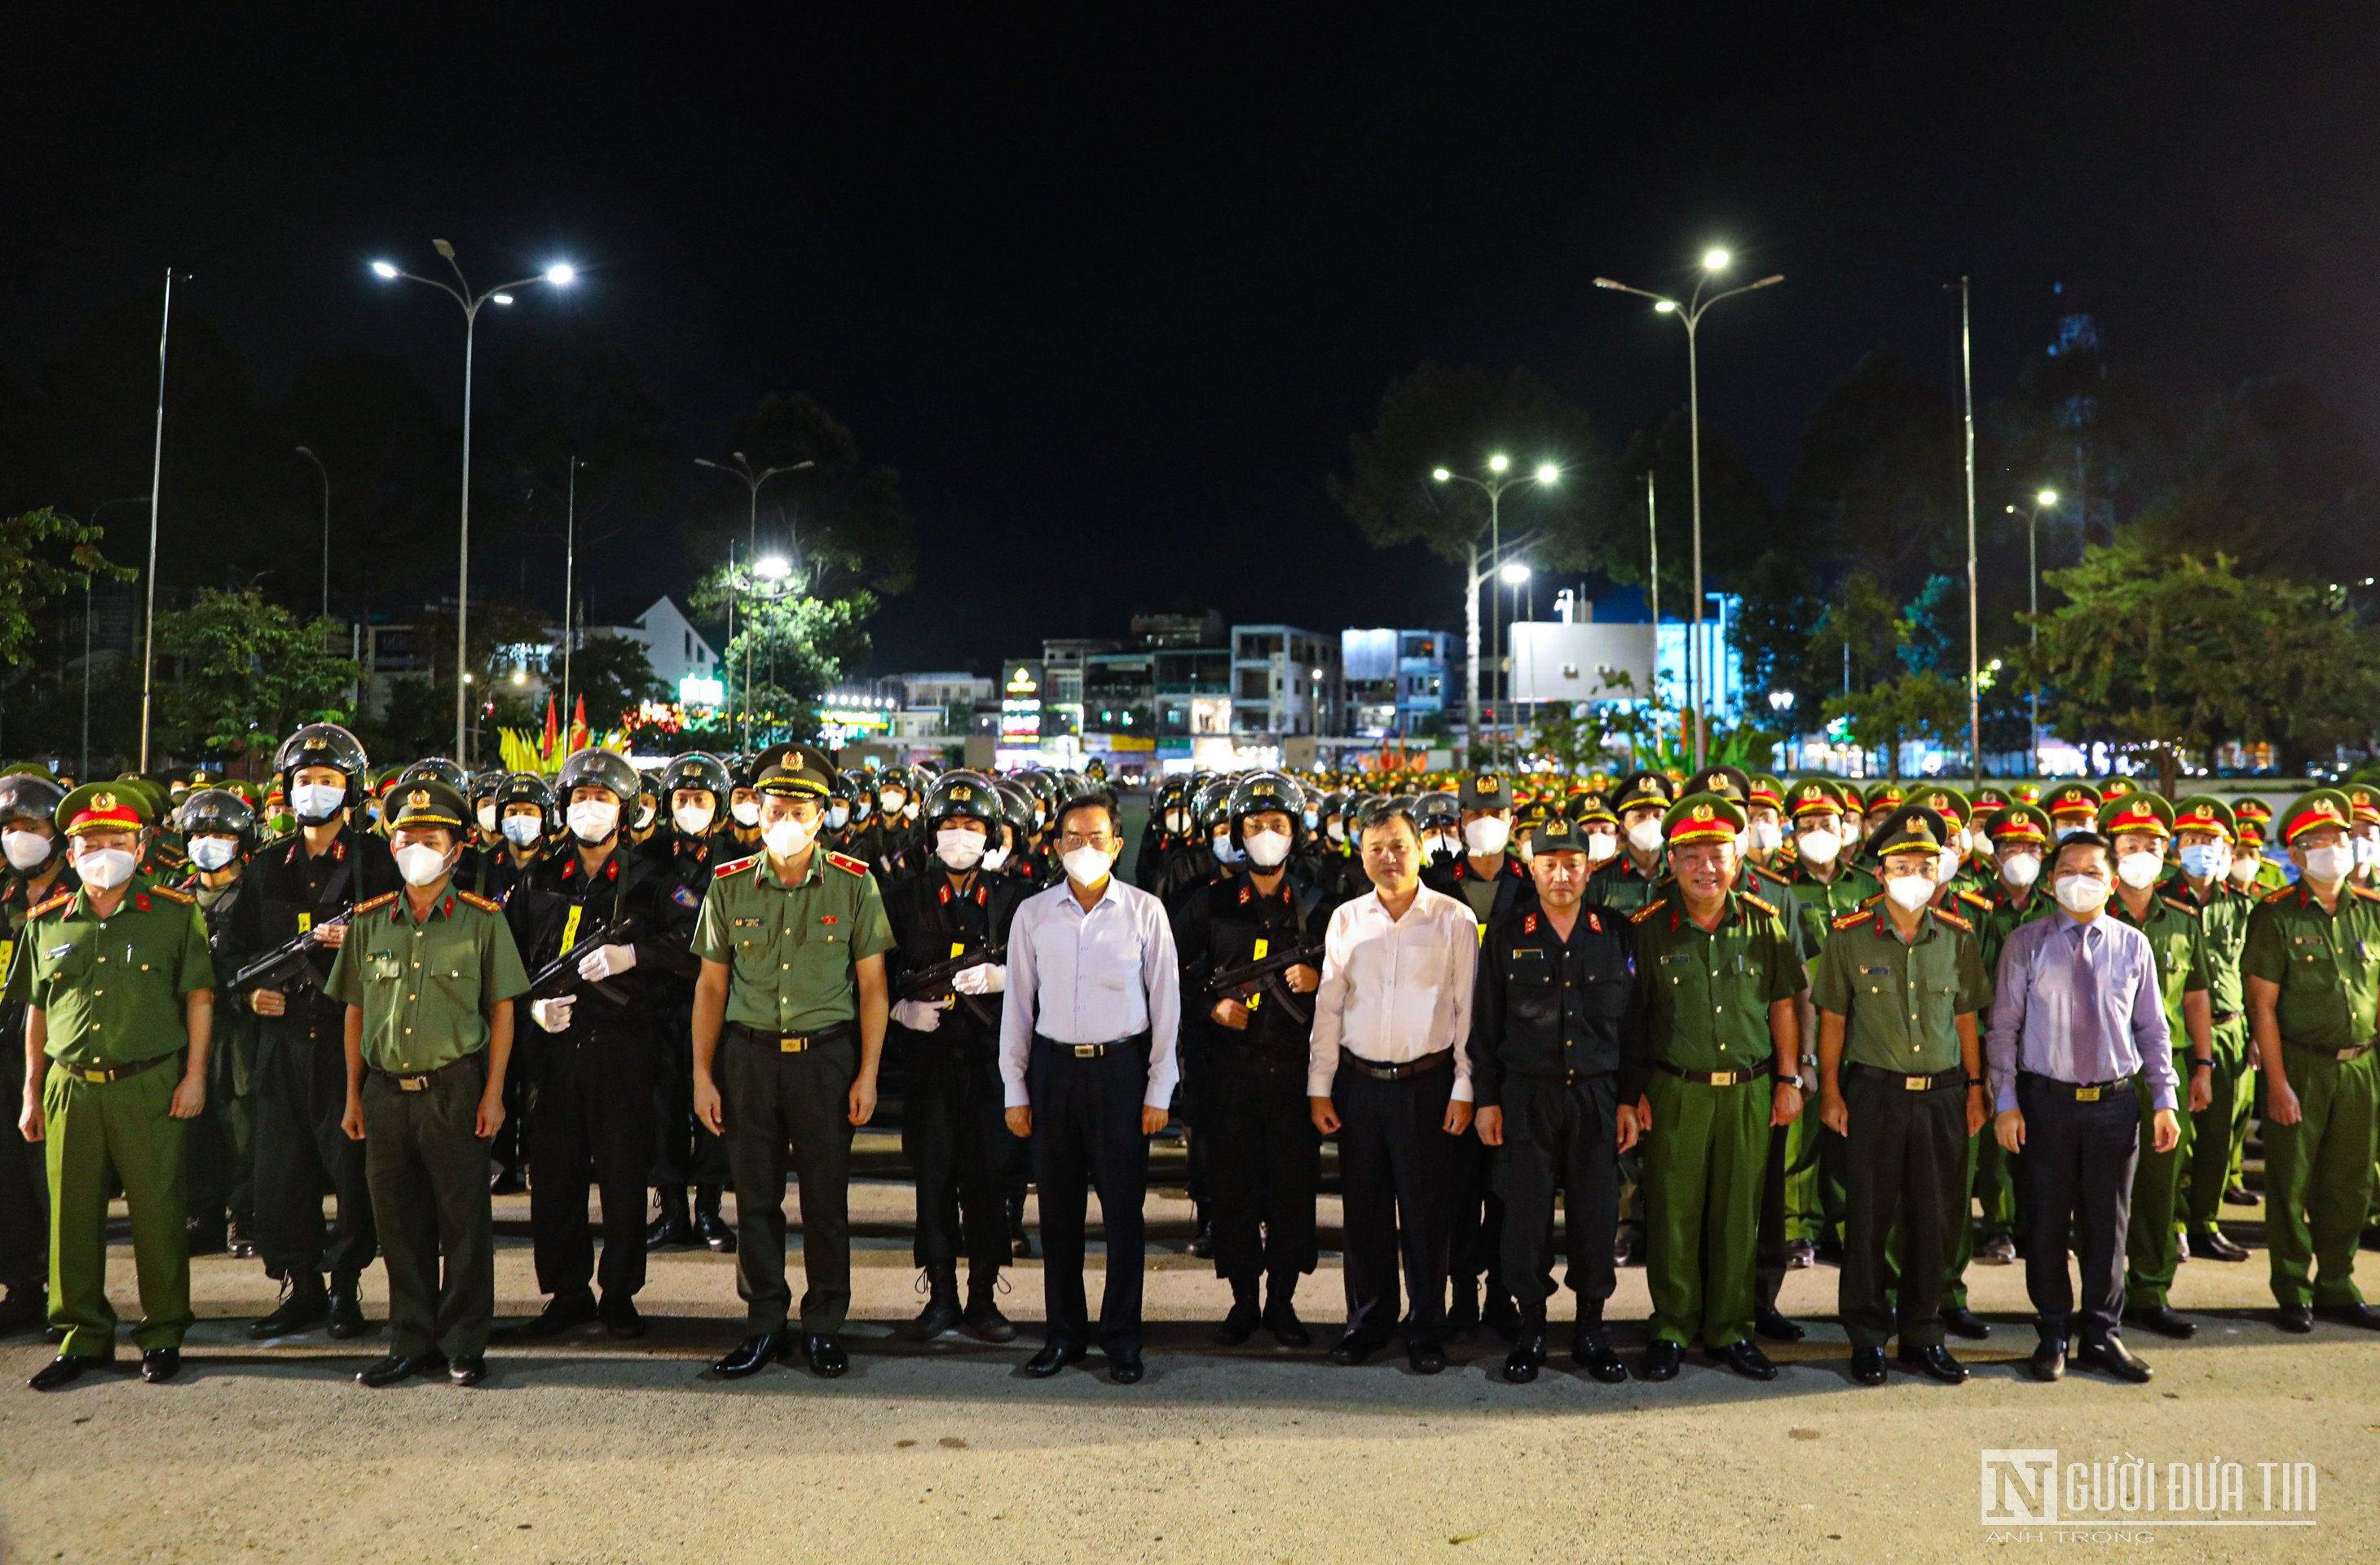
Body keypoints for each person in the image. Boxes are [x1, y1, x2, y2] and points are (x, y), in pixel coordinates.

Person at [690, 745, 890, 1381]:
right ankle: (764, 1324)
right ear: (756, 810)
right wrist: (702, 1074)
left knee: (826, 1201)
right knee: (754, 1200)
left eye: (798, 808)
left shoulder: (855, 883)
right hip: (748, 1059)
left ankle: (824, 1324)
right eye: (774, 807)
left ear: (822, 814)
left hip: (826, 1060)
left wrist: (869, 1073)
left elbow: (874, 988)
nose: (784, 818)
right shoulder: (728, 885)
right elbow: (711, 989)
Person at [12, 783, 214, 1389]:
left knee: (158, 1212)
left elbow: (199, 998)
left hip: (149, 1082)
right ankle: (83, 1335)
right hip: (70, 1087)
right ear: (69, 854)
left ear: (142, 845)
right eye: (91, 844)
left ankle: (162, 1333)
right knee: (70, 1217)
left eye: (117, 842)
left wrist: (196, 1075)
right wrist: (31, 1089)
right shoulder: (47, 923)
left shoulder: (175, 915)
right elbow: (37, 1011)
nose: (105, 853)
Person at [328, 781, 528, 1387]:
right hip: (386, 1093)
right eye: (406, 837)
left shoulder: (481, 922)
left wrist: (495, 1094)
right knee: (398, 1222)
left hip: (456, 1089)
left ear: (455, 850)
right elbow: (355, 1012)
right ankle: (410, 1339)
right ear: (391, 845)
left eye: (430, 839)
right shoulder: (369, 924)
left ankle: (464, 1341)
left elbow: (502, 1012)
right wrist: (352, 1094)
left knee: (463, 1222)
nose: (416, 847)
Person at [505, 748, 690, 1342]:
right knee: (555, 1176)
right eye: (580, 798)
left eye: (602, 799)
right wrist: (532, 1008)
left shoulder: (656, 880)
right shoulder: (536, 880)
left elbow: (695, 952)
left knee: (623, 1173)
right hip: (554, 1050)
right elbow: (505, 962)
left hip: (625, 1048)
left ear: (626, 809)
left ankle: (618, 1293)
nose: (590, 809)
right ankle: (566, 1292)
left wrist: (636, 955)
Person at [1620, 791, 1805, 1382]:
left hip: (1750, 1090)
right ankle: (1672, 1325)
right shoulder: (1648, 930)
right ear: (1672, 862)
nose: (1706, 868)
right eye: (1692, 855)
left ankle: (1730, 1329)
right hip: (1676, 1089)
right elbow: (1633, 1016)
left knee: (1738, 1212)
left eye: (1718, 854)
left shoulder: (1765, 923)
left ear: (1738, 856)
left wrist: (1789, 1078)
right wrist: (1637, 1088)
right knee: (1673, 1211)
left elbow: (1782, 1006)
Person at [999, 787, 1180, 1384]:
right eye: (1072, 838)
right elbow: (1019, 1010)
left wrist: (1160, 1089)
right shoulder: (1033, 914)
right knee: (1057, 1215)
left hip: (1121, 1072)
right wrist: (1015, 1089)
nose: (1084, 847)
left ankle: (1123, 1338)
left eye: (1096, 837)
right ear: (1055, 846)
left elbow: (1166, 1006)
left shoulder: (1145, 912)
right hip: (1054, 1073)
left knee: (1123, 1214)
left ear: (1117, 843)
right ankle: (1064, 1335)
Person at [1986, 829, 2181, 1383]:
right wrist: (2005, 1103)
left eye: (2093, 872)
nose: (2080, 880)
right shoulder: (2025, 944)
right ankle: (2052, 1331)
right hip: (2045, 1103)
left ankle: (2101, 1333)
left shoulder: (2132, 944)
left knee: (2107, 1224)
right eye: (2069, 869)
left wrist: (2164, 1100)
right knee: (2046, 1223)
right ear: (2051, 882)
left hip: (2115, 1105)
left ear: (2112, 883)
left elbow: (2152, 1030)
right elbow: (2002, 1029)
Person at [1811, 805, 1990, 1386]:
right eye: (1902, 864)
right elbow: (1833, 1019)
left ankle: (1923, 1334)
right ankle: (1867, 1337)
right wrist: (1831, 1091)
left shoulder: (1958, 938)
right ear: (1881, 873)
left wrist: (1974, 1087)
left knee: (1935, 1219)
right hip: (1874, 1094)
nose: (1915, 874)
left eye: (1925, 864)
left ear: (1941, 871)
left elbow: (1967, 1018)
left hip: (1942, 1096)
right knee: (1867, 1220)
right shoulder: (1849, 937)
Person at [1307, 801, 1479, 1373]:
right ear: (1361, 855)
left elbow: (1467, 1013)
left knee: (1427, 1214)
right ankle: (1368, 1322)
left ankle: (1425, 1327)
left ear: (1421, 849)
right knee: (1365, 1213)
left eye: (1399, 846)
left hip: (1428, 1087)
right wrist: (1320, 1086)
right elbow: (1328, 1008)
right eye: (1376, 848)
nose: (1389, 858)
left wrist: (1464, 1087)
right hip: (1360, 1087)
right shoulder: (1346, 919)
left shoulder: (1452, 919)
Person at [1171, 772, 1335, 1348]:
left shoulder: (1318, 906)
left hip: (1295, 1078)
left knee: (1293, 1192)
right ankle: (1243, 1300)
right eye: (1255, 826)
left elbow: (1351, 985)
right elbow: (1169, 978)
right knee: (1233, 1192)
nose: (1266, 835)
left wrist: (1319, 979)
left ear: (1296, 833)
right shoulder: (1209, 904)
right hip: (1229, 1078)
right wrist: (1212, 1007)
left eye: (1278, 825)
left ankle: (1283, 1302)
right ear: (1238, 834)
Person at [1470, 812, 1632, 1384]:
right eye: (1549, 864)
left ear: (1589, 870)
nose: (1561, 875)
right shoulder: (1508, 933)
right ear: (1531, 868)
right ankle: (1531, 1326)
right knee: (1524, 1220)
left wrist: (1629, 1099)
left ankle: (1591, 1327)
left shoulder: (1615, 933)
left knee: (1595, 1217)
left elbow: (1635, 1026)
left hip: (1595, 1098)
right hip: (1526, 1098)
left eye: (1572, 864)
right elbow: (1485, 1024)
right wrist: (1486, 1098)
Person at [246, 723, 390, 1342]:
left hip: (344, 1038)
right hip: (280, 1041)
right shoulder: (263, 866)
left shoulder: (377, 861)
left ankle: (344, 1288)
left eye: (328, 781)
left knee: (350, 1167)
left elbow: (400, 943)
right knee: (282, 1169)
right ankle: (298, 1283)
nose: (315, 791)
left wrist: (354, 940)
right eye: (305, 781)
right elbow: (232, 953)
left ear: (350, 790)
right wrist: (252, 993)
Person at [884, 770, 1027, 1342]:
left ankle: (984, 1297)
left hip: (993, 1064)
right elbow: (873, 977)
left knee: (989, 1180)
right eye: (949, 825)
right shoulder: (902, 898)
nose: (960, 834)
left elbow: (1049, 975)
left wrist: (1004, 978)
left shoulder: (1017, 902)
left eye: (971, 826)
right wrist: (900, 1011)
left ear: (991, 834)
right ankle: (940, 1293)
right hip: (930, 1065)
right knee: (933, 1178)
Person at [2241, 789, 2380, 1334]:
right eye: (2316, 843)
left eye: (2338, 839)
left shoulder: (2370, 913)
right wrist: (2276, 1082)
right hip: (2300, 1063)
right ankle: (2293, 1287)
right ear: (2296, 856)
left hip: (2362, 1067)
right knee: (2291, 1182)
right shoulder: (2275, 916)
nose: (2331, 850)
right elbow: (2263, 1007)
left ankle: (2337, 1283)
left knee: (2351, 1181)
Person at [2096, 793, 2215, 1339]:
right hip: (2103, 1074)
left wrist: (2204, 1065)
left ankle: (2151, 1290)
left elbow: (2195, 998)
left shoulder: (2181, 917)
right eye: (2130, 846)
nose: (2142, 854)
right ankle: (2101, 1296)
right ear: (2112, 852)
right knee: (2100, 1189)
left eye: (2152, 845)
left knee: (2159, 1185)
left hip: (2163, 1073)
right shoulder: (2089, 914)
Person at [641, 752, 738, 1252]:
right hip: (661, 1002)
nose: (691, 806)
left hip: (717, 1004)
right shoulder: (647, 859)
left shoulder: (736, 862)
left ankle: (709, 1211)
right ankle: (672, 1210)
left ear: (718, 806)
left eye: (701, 799)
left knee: (715, 1107)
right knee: (664, 1110)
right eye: (682, 798)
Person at [174, 788, 267, 1260]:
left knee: (242, 1121)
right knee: (193, 1125)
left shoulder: (256, 894)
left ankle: (245, 1215)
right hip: (185, 1028)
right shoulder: (173, 895)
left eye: (219, 834)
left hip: (239, 1027)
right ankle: (200, 1214)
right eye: (200, 834)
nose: (208, 842)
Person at [2163, 796, 2255, 1263]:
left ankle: (2206, 1221)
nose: (2201, 848)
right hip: (2174, 1034)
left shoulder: (2242, 905)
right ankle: (2174, 1222)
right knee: (2176, 1136)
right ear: (2176, 848)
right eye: (2192, 840)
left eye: (2211, 840)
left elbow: (2256, 975)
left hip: (2232, 1032)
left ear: (2228, 850)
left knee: (2220, 1137)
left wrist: (2257, 1033)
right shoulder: (2160, 900)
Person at [0, 772, 73, 1334]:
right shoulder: (4, 894)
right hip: (4, 1051)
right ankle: (21, 1284)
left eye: (30, 827)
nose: (18, 838)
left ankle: (67, 1293)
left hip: (58, 1053)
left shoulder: (82, 889)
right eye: (9, 828)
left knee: (57, 1179)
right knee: (9, 1182)